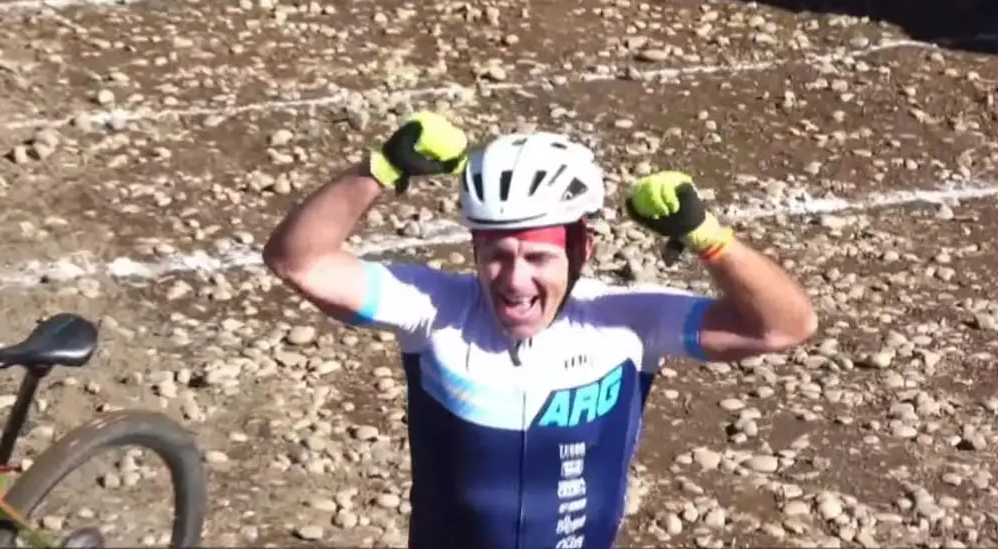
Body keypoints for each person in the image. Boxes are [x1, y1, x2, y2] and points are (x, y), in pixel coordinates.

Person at [262, 113, 817, 549]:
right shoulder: (434, 311)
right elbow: (298, 261)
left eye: (538, 257)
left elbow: (784, 327)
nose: (515, 280)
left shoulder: (627, 321)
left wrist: (708, 238)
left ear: (583, 250)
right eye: (496, 255)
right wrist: (381, 168)